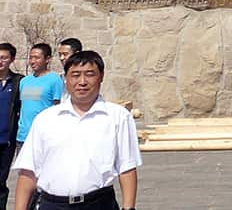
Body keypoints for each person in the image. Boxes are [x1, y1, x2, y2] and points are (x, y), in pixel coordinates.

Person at [13, 50, 140, 210]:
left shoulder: (117, 116)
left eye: (89, 74)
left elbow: (127, 167)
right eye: (75, 75)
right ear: (65, 79)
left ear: (101, 77)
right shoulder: (46, 119)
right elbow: (28, 172)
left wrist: (129, 208)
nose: (82, 81)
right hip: (52, 204)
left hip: (98, 203)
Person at [17, 44, 63, 148]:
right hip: (23, 137)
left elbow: (57, 108)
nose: (32, 61)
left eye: (37, 58)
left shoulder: (54, 80)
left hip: (43, 137)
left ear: (47, 59)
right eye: (31, 57)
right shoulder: (24, 81)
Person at [0, 42, 21, 206]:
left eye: (4, 57)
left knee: (0, 182)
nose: (0, 61)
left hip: (6, 141)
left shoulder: (19, 82)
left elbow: (32, 104)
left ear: (11, 59)